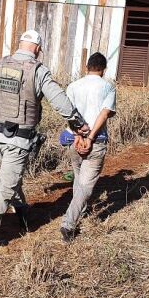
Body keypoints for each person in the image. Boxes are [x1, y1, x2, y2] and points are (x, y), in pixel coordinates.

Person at [0, 29, 90, 250]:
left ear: (20, 44)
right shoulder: (38, 70)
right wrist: (78, 123)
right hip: (18, 140)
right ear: (37, 48)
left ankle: (23, 213)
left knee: (10, 175)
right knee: (6, 186)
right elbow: (60, 101)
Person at [59, 52, 116, 243]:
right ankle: (69, 223)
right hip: (96, 140)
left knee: (78, 179)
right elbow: (105, 113)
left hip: (73, 141)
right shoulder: (107, 87)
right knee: (86, 185)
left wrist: (77, 136)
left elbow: (68, 113)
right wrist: (90, 138)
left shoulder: (73, 86)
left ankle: (78, 212)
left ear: (87, 67)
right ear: (104, 69)